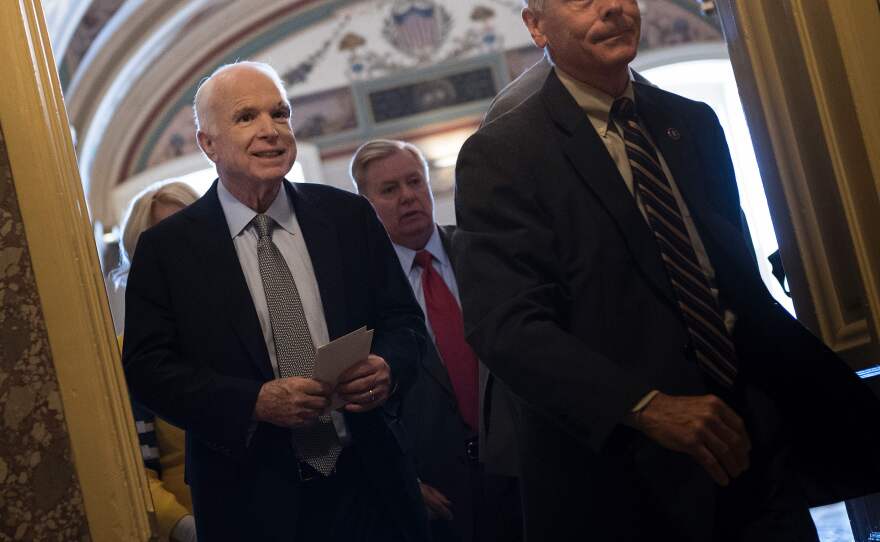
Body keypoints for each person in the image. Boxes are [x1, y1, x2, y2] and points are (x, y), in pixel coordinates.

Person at [453, 1, 880, 541]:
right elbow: (507, 327)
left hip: (755, 448)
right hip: (631, 478)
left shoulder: (692, 122)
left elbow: (736, 284)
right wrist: (645, 407)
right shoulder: (503, 153)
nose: (611, 8)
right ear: (536, 25)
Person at [122, 61, 430, 542]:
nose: (271, 131)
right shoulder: (168, 249)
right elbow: (147, 369)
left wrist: (388, 367)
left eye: (280, 114)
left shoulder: (347, 216)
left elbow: (404, 322)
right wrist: (253, 402)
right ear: (208, 143)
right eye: (247, 118)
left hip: (372, 484)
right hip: (250, 499)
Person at [350, 139, 523, 542]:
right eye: (389, 190)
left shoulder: (483, 255)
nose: (408, 197)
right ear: (365, 204)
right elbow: (361, 404)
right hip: (437, 492)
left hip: (520, 466)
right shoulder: (360, 292)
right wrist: (402, 479)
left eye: (414, 182)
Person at [114, 180, 200, 542]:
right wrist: (185, 526)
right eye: (162, 242)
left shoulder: (255, 322)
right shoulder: (124, 354)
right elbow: (127, 466)